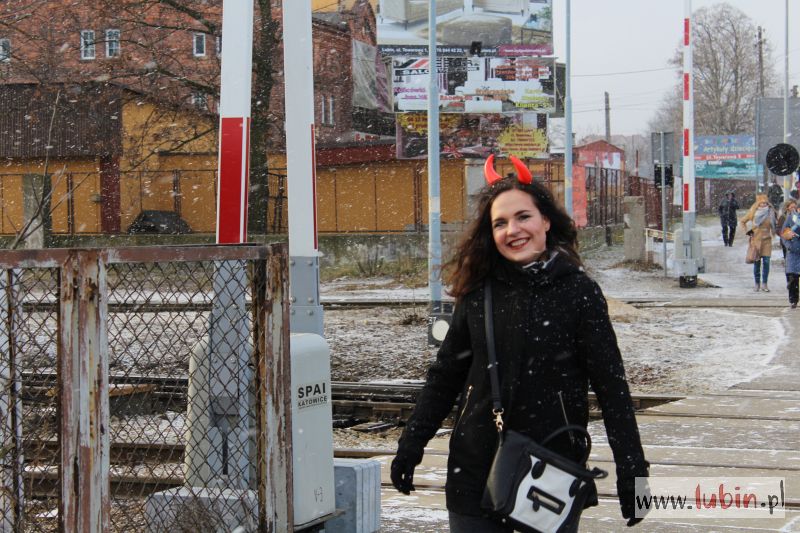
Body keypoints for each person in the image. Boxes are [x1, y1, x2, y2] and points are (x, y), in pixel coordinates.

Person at [390, 155, 650, 532]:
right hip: (475, 469)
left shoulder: (579, 292)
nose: (513, 230)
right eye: (500, 223)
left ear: (546, 221)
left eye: (523, 216)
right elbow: (445, 376)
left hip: (550, 472)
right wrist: (411, 445)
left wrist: (633, 473)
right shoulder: (478, 293)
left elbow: (612, 388)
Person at [740, 194, 777, 292]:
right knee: (757, 263)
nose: (763, 205)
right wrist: (747, 231)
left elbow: (775, 224)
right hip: (756, 240)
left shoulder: (770, 212)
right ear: (758, 204)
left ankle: (765, 284)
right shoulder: (753, 211)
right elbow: (742, 221)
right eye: (761, 203)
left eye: (765, 203)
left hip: (767, 240)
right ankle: (757, 283)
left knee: (766, 262)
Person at [781, 204, 800, 308]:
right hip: (793, 252)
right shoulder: (790, 218)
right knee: (792, 277)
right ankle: (793, 300)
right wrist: (788, 246)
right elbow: (783, 234)